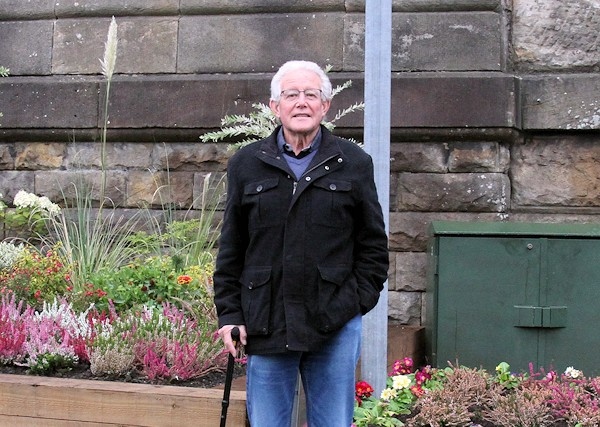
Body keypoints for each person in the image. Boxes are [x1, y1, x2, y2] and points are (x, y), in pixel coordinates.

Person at [214, 60, 389, 427]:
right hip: (267, 320)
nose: (302, 102)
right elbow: (232, 247)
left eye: (312, 94)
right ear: (275, 106)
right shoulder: (247, 164)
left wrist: (349, 303)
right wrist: (231, 314)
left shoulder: (352, 163)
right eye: (291, 95)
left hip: (333, 321)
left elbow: (373, 249)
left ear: (326, 106)